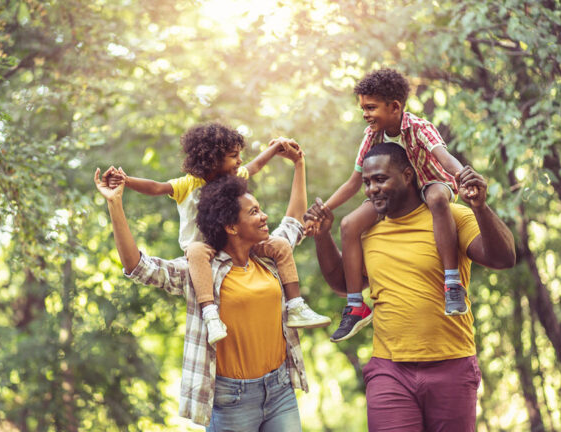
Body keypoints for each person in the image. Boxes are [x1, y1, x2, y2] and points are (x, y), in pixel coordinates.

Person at [307, 142, 516, 431]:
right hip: (390, 371)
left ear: (407, 175)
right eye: (367, 182)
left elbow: (503, 258)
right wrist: (322, 237)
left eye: (380, 179)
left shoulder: (450, 217)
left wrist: (480, 207)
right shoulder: (365, 231)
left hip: (452, 365)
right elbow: (344, 284)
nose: (371, 189)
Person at [94, 155, 311, 430]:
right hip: (232, 399)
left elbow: (294, 222)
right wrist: (115, 203)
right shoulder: (201, 271)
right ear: (231, 227)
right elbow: (138, 266)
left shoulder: (270, 258)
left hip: (280, 390)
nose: (265, 215)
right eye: (254, 212)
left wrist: (299, 164)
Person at [108, 123, 329, 347]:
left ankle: (296, 305)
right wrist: (124, 184)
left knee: (280, 244)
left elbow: (258, 167)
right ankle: (210, 315)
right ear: (212, 159)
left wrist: (282, 151)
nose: (240, 161)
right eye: (234, 156)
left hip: (277, 378)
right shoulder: (189, 184)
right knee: (196, 251)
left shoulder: (262, 252)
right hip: (202, 254)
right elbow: (156, 188)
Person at [305, 68, 474, 343]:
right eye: (363, 108)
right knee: (349, 225)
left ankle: (452, 282)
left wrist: (463, 177)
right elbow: (353, 182)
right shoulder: (372, 135)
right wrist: (326, 209)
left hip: (431, 183)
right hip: (396, 193)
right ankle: (355, 304)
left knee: (437, 199)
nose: (365, 114)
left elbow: (444, 158)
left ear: (394, 107)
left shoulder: (419, 128)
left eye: (371, 107)